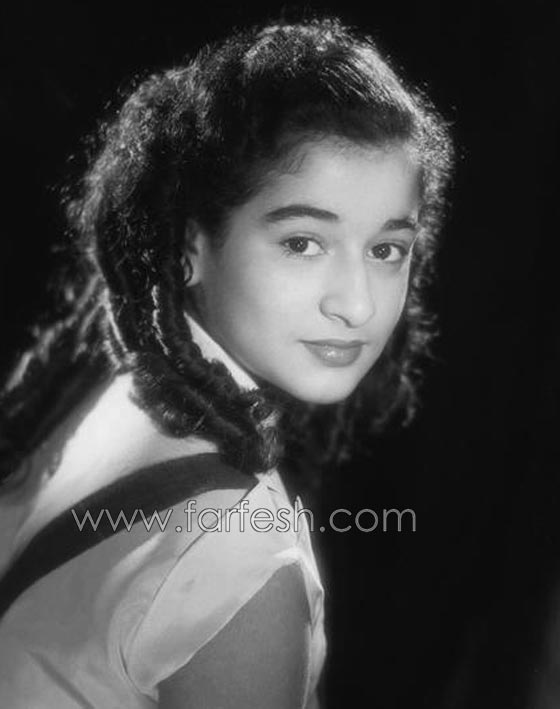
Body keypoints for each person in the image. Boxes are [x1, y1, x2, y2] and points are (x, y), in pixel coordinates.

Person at [0, 16, 453, 709]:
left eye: (386, 250)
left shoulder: (116, 378)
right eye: (302, 242)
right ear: (191, 245)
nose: (358, 305)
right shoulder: (238, 563)